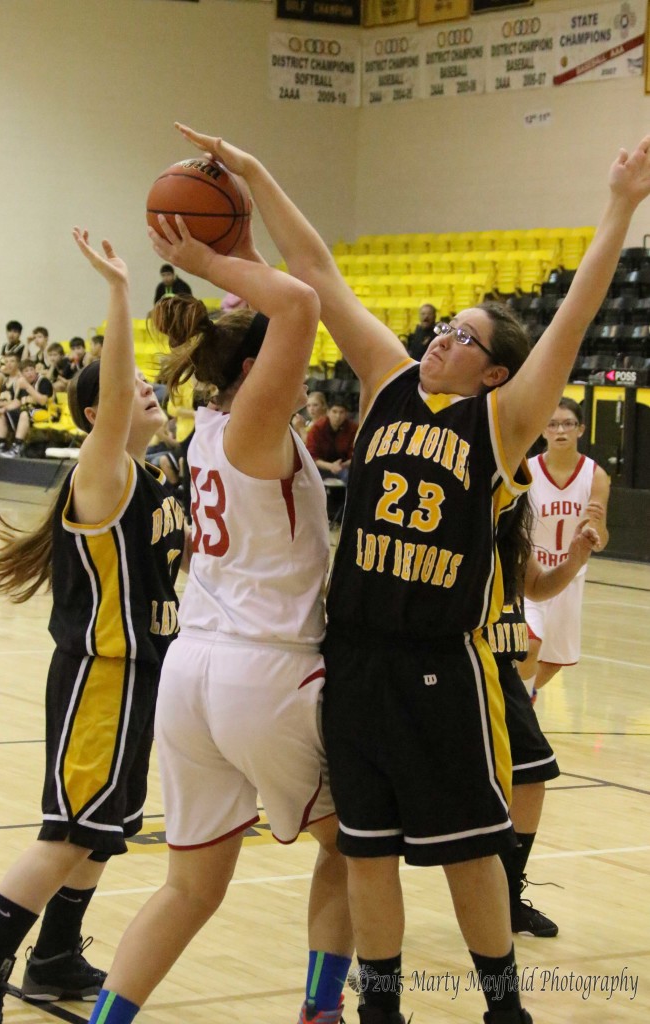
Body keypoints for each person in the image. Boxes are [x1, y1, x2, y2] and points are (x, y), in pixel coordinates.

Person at [174, 124, 650, 1024]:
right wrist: (255, 169)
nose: (440, 338)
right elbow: (313, 269)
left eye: (462, 337)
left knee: (471, 848)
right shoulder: (389, 381)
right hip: (353, 657)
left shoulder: (503, 424)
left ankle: (502, 1008)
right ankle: (379, 1011)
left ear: (494, 369)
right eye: (443, 327)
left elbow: (576, 318)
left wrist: (619, 205)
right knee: (366, 850)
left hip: (441, 663)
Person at [85, 209, 352, 1024]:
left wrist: (231, 257)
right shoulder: (253, 427)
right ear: (263, 362)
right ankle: (322, 1012)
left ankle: (106, 1021)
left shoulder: (202, 429)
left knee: (189, 887)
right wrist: (207, 255)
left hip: (191, 671)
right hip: (263, 667)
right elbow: (300, 304)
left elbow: (284, 306)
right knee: (352, 850)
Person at [0, 229, 185, 1024]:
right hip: (102, 672)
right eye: (139, 393)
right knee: (66, 832)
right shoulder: (104, 474)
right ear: (102, 413)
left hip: (146, 673)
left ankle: (56, 954)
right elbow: (121, 392)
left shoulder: (163, 474)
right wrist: (123, 292)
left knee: (103, 834)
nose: (154, 398)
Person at [489, 496, 601, 938]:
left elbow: (535, 585)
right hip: (459, 660)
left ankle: (508, 897)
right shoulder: (458, 505)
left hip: (502, 665)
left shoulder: (512, 511)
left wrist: (574, 560)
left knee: (533, 771)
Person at [518, 397, 610, 700]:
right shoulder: (527, 471)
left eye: (568, 424)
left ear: (581, 429)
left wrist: (592, 531)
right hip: (531, 573)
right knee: (529, 645)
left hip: (569, 578)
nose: (560, 430)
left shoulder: (595, 475)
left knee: (554, 662)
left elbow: (602, 534)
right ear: (543, 430)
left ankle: (522, 700)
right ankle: (514, 710)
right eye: (553, 424)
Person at [0, 358, 54, 458]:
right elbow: (17, 402)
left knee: (24, 413)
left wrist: (27, 387)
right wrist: (5, 408)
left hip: (47, 412)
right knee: (1, 413)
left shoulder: (43, 381)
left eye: (31, 369)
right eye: (26, 371)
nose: (30, 373)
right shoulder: (24, 384)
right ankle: (2, 445)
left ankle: (18, 446)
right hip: (30, 412)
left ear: (36, 370)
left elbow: (43, 401)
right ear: (22, 374)